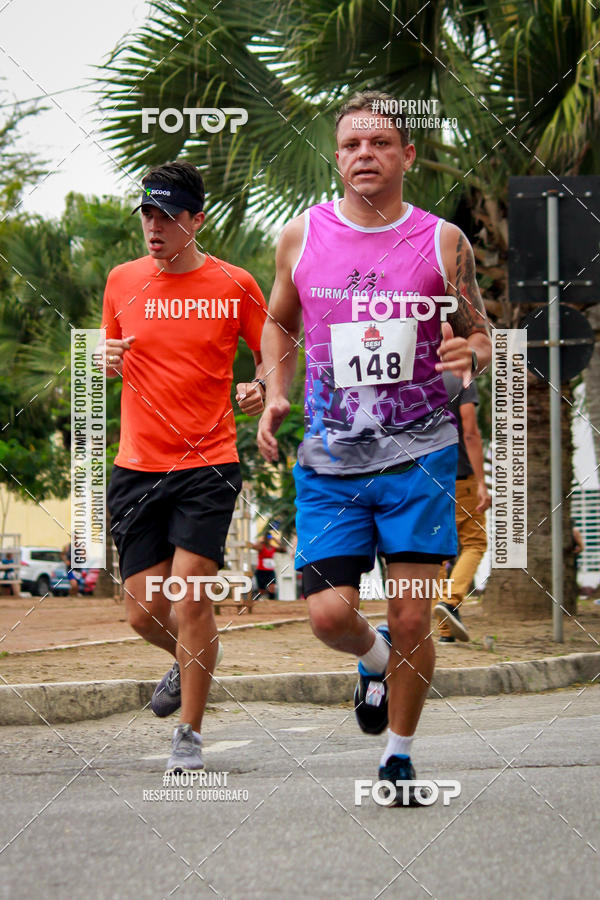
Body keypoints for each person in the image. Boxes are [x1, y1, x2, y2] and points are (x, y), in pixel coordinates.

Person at [257, 91, 491, 806]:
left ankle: (397, 754)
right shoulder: (300, 237)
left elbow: (481, 334)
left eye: (381, 142)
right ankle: (374, 661)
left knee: (413, 613)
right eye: (353, 144)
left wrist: (470, 355)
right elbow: (279, 323)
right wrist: (274, 389)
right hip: (332, 459)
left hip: (420, 458)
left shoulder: (444, 241)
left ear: (407, 155)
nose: (366, 154)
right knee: (330, 615)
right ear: (337, 157)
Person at [101, 160, 267, 773]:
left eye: (168, 215)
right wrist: (102, 358)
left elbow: (273, 352)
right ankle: (191, 659)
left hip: (208, 463)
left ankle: (188, 736)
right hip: (137, 466)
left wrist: (261, 386)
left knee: (191, 597)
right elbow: (107, 355)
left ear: (197, 220)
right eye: (147, 214)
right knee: (143, 612)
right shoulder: (121, 281)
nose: (155, 226)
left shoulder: (234, 284)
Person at [433, 370, 491, 642]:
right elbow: (470, 432)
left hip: (425, 480)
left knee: (436, 552)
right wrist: (481, 483)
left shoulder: (416, 377)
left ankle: (445, 631)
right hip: (459, 478)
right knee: (475, 543)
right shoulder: (461, 379)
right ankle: (450, 600)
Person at [249, 532, 286, 599]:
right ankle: (256, 600)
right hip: (261, 571)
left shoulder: (272, 547)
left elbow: (284, 550)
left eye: (269, 537)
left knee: (272, 588)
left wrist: (277, 541)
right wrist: (260, 541)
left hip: (270, 572)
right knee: (262, 591)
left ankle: (272, 601)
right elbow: (253, 547)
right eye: (267, 537)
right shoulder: (261, 546)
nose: (268, 539)